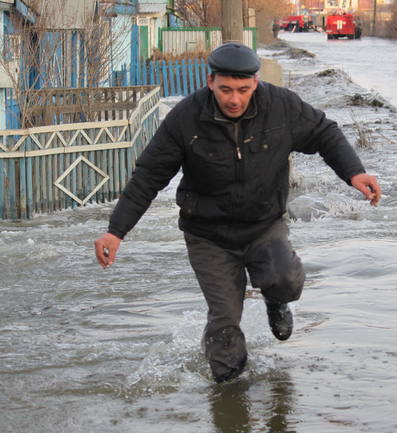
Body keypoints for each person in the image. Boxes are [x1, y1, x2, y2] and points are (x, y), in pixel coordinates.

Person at [94, 42, 381, 383]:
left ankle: (276, 303)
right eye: (226, 89)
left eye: (243, 90)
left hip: (263, 225)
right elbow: (148, 176)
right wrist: (116, 231)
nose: (234, 99)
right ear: (210, 81)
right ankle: (229, 395)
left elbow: (324, 133)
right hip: (208, 236)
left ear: (256, 83)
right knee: (225, 322)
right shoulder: (186, 119)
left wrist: (354, 172)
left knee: (286, 281)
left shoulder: (281, 107)